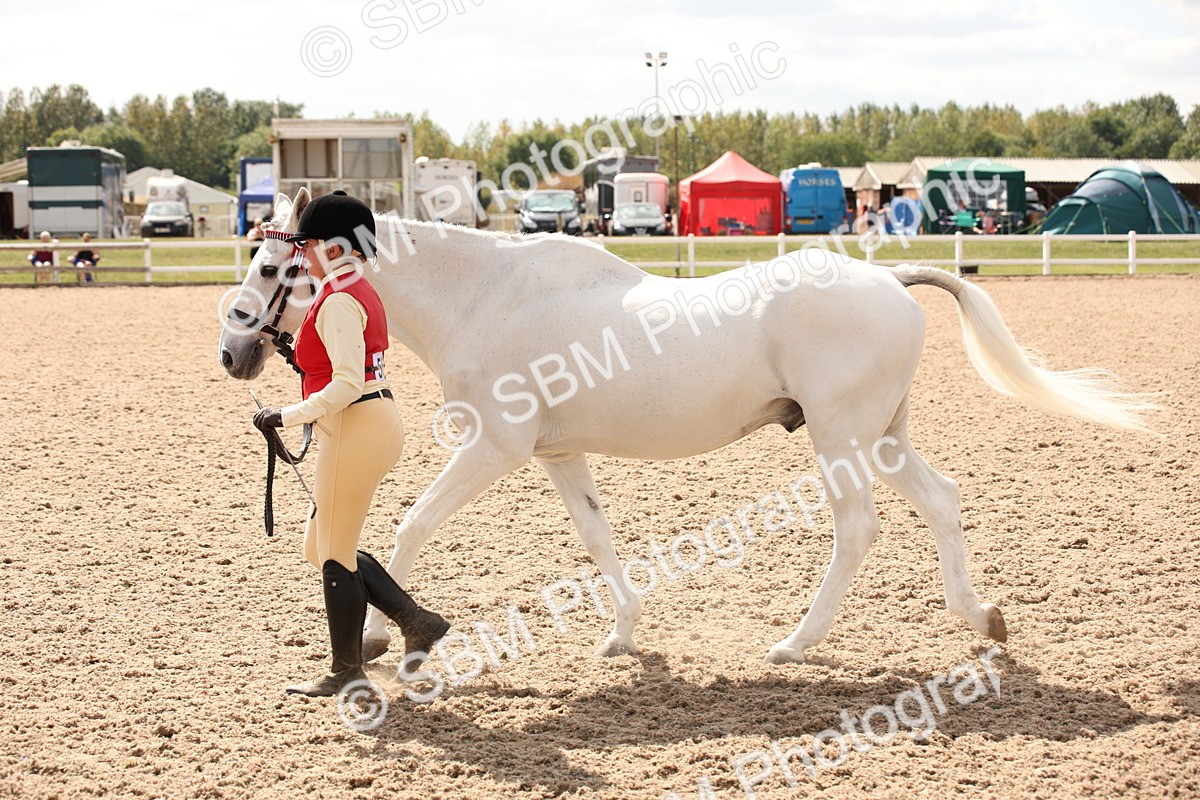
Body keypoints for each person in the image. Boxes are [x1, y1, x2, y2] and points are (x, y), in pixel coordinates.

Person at [252, 190, 450, 697]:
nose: (305, 253)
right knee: (317, 547)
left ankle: (346, 670)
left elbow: (345, 384)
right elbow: (341, 370)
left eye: (311, 243)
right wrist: (297, 359)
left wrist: (285, 414)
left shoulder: (338, 298)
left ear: (337, 247)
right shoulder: (351, 289)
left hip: (358, 425)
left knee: (335, 553)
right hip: (364, 423)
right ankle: (416, 621)